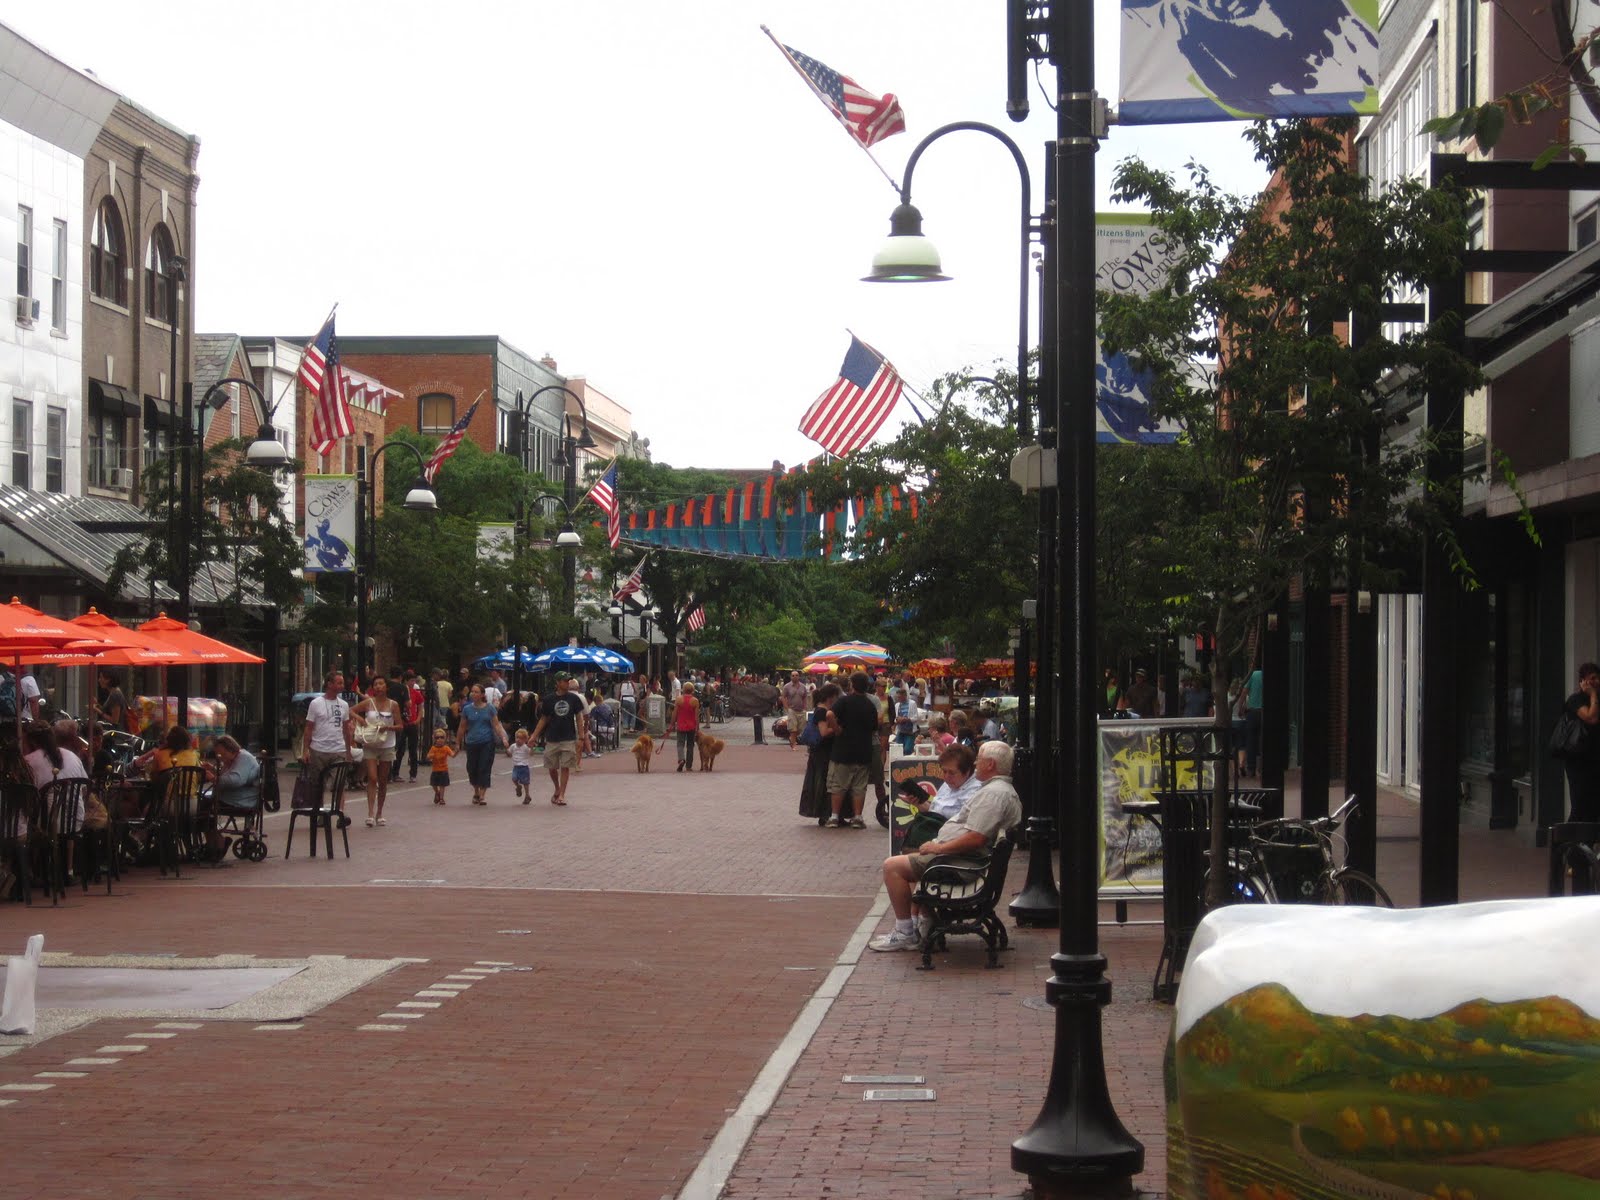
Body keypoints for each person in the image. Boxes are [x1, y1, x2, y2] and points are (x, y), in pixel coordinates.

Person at [869, 740, 1022, 952]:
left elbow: (976, 838)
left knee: (891, 867)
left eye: (979, 760)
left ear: (991, 764)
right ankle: (916, 924)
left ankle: (905, 932)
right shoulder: (995, 790)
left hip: (963, 863)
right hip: (964, 858)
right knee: (907, 858)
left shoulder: (993, 794)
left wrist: (939, 848)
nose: (976, 763)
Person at [824, 672, 880, 829]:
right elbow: (874, 727)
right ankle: (857, 817)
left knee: (838, 785)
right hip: (863, 751)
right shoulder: (870, 705)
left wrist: (837, 729)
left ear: (852, 685)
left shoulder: (844, 701)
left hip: (842, 750)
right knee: (859, 787)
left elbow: (829, 714)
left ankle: (834, 816)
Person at [352, 676, 402, 827]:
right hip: (370, 744)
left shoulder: (393, 705)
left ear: (386, 687)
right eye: (376, 684)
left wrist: (388, 727)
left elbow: (400, 725)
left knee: (383, 779)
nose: (379, 687)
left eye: (381, 684)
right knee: (372, 777)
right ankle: (370, 812)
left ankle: (380, 812)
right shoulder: (368, 702)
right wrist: (360, 720)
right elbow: (351, 711)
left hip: (387, 744)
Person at [531, 673, 586, 806]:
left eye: (568, 681)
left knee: (565, 766)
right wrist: (534, 736)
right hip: (552, 737)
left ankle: (562, 794)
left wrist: (581, 736)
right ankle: (557, 787)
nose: (568, 683)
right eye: (565, 681)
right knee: (552, 767)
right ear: (557, 683)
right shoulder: (549, 699)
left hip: (568, 737)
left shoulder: (574, 699)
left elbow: (579, 717)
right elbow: (544, 719)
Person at [202, 734, 262, 856]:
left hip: (240, 800)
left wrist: (214, 778)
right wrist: (214, 769)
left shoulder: (243, 758)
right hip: (235, 797)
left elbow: (236, 780)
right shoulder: (234, 760)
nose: (221, 758)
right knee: (202, 803)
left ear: (230, 749)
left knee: (202, 808)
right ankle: (215, 841)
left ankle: (217, 842)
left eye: (222, 754)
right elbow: (228, 775)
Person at [456, 683, 510, 806]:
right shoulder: (467, 709)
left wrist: (503, 737)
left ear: (482, 695)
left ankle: (482, 795)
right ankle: (476, 791)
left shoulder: (489, 708)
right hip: (471, 742)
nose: (473, 694)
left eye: (476, 692)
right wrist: (458, 743)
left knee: (484, 767)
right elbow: (462, 726)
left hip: (486, 742)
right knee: (472, 768)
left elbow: (496, 725)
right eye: (472, 692)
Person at [798, 681, 842, 822]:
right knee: (824, 782)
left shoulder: (819, 709)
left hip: (819, 752)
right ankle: (824, 813)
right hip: (823, 752)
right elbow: (823, 732)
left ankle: (824, 812)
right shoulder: (822, 712)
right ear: (831, 697)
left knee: (822, 781)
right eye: (836, 696)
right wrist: (837, 728)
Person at [1561, 662, 1600, 821]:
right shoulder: (1575, 700)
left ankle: (1587, 843)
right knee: (1580, 805)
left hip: (1595, 760)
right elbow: (1591, 717)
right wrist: (1592, 695)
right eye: (1591, 678)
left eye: (1597, 678)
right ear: (1582, 681)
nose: (1595, 682)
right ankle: (1564, 843)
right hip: (1578, 761)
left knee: (1594, 806)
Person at [303, 671, 355, 788]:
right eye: (339, 683)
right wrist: (305, 750)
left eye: (343, 683)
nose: (342, 685)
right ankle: (318, 806)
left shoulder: (344, 705)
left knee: (339, 785)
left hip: (338, 750)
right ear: (329, 684)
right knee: (316, 786)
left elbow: (346, 729)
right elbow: (309, 728)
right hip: (318, 750)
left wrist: (348, 751)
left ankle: (338, 807)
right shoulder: (315, 703)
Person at [671, 681, 701, 772]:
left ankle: (681, 759)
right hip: (691, 726)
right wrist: (697, 728)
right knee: (690, 745)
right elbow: (696, 716)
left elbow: (674, 713)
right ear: (692, 690)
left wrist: (672, 724)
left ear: (683, 690)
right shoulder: (695, 701)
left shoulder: (679, 699)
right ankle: (688, 766)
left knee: (680, 744)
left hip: (681, 725)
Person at [1243, 663, 1264, 777]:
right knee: (1263, 741)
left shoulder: (1253, 675)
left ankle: (1251, 768)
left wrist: (1241, 707)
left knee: (1251, 740)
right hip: (1263, 712)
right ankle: (1261, 768)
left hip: (1252, 711)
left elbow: (1244, 692)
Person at [426, 728, 456, 805]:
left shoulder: (446, 748)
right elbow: (428, 756)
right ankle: (437, 792)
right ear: (434, 739)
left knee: (442, 785)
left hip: (443, 769)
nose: (439, 739)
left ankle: (442, 798)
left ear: (445, 738)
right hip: (435, 769)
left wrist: (456, 751)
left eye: (442, 737)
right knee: (433, 784)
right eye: (437, 737)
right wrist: (430, 756)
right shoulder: (433, 748)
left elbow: (452, 755)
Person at [781, 673, 810, 750]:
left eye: (796, 675)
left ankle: (792, 738)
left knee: (800, 728)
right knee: (793, 728)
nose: (795, 677)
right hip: (792, 710)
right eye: (793, 675)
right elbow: (783, 697)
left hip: (801, 710)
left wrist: (805, 707)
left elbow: (805, 697)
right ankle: (793, 745)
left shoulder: (803, 686)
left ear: (799, 676)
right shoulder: (787, 686)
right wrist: (787, 708)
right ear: (791, 677)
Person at [95, 668, 127, 732]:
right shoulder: (113, 692)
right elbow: (109, 711)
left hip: (116, 734)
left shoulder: (115, 694)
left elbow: (114, 720)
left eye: (101, 677)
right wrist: (97, 705)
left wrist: (97, 710)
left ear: (108, 680)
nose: (99, 680)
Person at [892, 687, 921, 756]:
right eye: (898, 697)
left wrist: (906, 719)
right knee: (898, 749)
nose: (898, 699)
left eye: (900, 697)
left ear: (904, 696)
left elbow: (915, 717)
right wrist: (897, 720)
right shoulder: (897, 705)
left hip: (910, 731)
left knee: (908, 749)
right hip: (900, 730)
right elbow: (895, 717)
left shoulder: (912, 703)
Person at [509, 728, 535, 801]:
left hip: (524, 767)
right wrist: (508, 751)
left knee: (526, 782)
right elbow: (509, 752)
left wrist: (532, 747)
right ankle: (518, 786)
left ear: (525, 740)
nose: (518, 740)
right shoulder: (513, 746)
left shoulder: (525, 747)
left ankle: (527, 795)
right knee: (514, 778)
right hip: (516, 767)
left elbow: (531, 754)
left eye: (520, 738)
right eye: (517, 737)